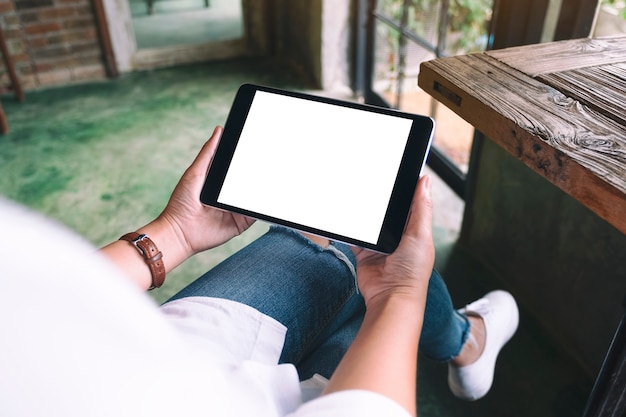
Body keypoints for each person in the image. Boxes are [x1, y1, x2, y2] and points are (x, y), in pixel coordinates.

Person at [0, 126, 518, 417]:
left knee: (341, 256)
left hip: (177, 354)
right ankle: (463, 342)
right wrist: (400, 294)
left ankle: (461, 341)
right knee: (361, 258)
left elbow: (33, 307)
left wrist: (174, 233)